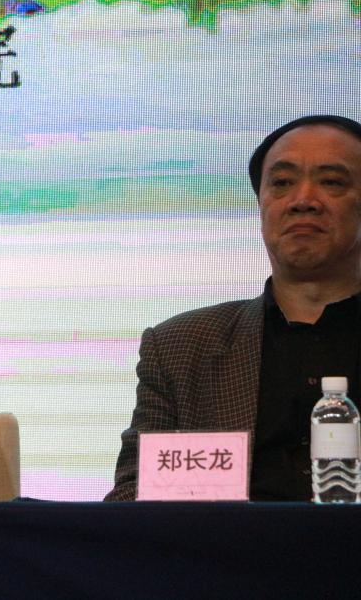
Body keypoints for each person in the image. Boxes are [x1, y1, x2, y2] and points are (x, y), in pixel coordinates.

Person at [107, 114, 361, 501]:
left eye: (331, 182)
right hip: (220, 541)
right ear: (262, 204)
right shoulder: (180, 347)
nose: (303, 201)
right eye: (282, 183)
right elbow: (132, 498)